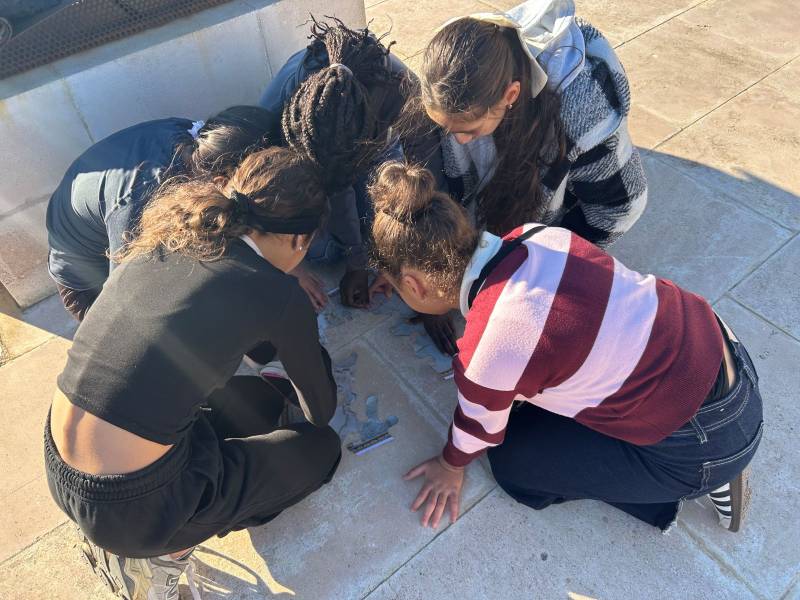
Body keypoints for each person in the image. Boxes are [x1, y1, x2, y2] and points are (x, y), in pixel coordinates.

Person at [369, 162, 763, 535]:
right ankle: (701, 461)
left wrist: (449, 466)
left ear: (415, 285)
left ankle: (698, 481)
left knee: (515, 464)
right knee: (536, 397)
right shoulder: (536, 235)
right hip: (729, 357)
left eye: (398, 287)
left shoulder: (488, 352)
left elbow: (478, 432)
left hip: (704, 442)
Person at [45, 147, 341, 600]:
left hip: (59, 463)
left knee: (258, 401)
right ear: (300, 240)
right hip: (132, 511)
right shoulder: (279, 292)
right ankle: (164, 553)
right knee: (321, 450)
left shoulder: (169, 238)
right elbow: (319, 412)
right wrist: (314, 354)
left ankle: (135, 532)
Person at [403, 0, 649, 354]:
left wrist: (546, 264)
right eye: (448, 129)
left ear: (511, 96)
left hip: (569, 194)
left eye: (469, 130)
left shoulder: (584, 111)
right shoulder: (450, 80)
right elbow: (450, 184)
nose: (458, 140)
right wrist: (437, 288)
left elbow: (622, 206)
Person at [45, 105, 327, 320]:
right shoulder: (142, 202)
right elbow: (125, 301)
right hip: (91, 286)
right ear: (223, 181)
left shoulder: (205, 143)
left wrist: (292, 262)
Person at [259, 17, 437, 308]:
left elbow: (418, 178)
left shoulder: (401, 91)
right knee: (322, 252)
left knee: (384, 227)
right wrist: (298, 267)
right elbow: (332, 185)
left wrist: (407, 271)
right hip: (317, 150)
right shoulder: (279, 108)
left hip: (371, 139)